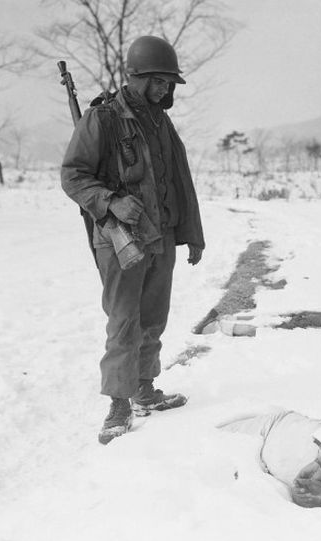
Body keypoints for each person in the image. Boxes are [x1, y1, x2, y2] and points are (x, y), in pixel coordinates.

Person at [61, 36, 205, 445]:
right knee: (124, 321)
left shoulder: (162, 121)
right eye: (159, 81)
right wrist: (110, 202)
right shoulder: (103, 119)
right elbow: (73, 175)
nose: (166, 89)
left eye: (169, 83)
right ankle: (119, 403)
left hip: (162, 237)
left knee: (153, 318)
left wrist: (192, 235)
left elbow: (180, 182)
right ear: (137, 77)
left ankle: (144, 387)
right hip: (120, 239)